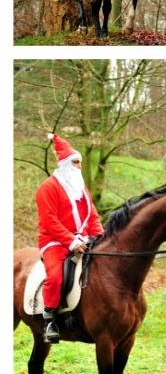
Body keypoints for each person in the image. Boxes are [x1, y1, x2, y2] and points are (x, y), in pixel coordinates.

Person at [35, 133, 104, 343]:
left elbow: (92, 216)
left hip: (83, 239)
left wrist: (100, 237)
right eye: (75, 162)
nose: (79, 167)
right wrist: (71, 241)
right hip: (54, 241)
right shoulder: (48, 188)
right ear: (64, 164)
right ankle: (49, 321)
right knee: (55, 277)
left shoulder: (82, 190)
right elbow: (49, 221)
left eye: (80, 163)